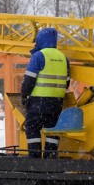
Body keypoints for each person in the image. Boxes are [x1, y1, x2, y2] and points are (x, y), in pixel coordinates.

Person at [21, 27, 70, 160]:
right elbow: (67, 82)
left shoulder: (39, 56)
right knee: (53, 130)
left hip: (38, 102)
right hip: (56, 103)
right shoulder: (64, 58)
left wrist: (24, 95)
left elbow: (29, 80)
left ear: (41, 40)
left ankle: (35, 159)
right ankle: (50, 158)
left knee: (32, 127)